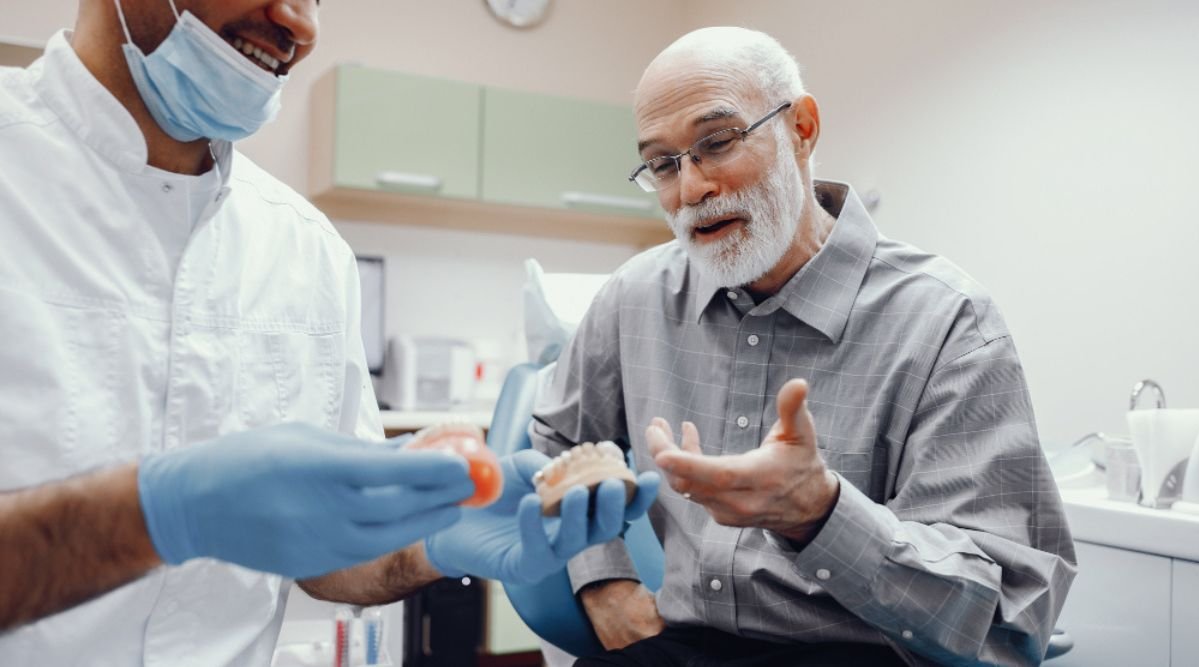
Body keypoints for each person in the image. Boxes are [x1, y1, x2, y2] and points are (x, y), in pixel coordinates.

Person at [0, 0, 658, 664]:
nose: (301, 23)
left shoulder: (305, 248)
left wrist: (425, 537)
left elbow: (329, 560)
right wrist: (158, 514)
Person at [531, 26, 1076, 667]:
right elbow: (559, 441)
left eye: (717, 142)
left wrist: (821, 514)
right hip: (677, 646)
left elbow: (1010, 622)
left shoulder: (948, 324)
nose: (691, 190)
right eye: (662, 163)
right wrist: (605, 579)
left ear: (803, 128)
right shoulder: (636, 295)